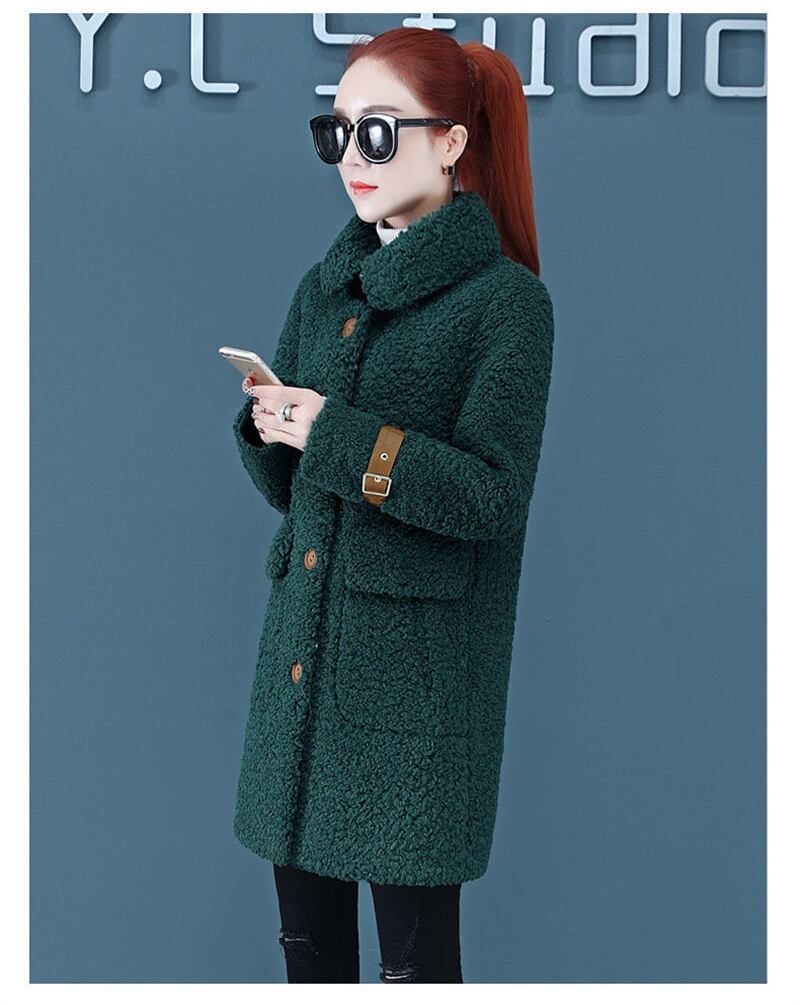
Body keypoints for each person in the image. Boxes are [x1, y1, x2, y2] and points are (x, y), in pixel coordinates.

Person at [232, 26, 555, 983]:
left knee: (416, 971)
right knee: (309, 961)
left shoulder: (506, 304)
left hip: (416, 695)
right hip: (301, 683)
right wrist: (270, 429)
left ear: (450, 142)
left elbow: (488, 495)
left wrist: (332, 431)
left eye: (378, 132)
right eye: (336, 134)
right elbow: (297, 498)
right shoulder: (325, 287)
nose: (352, 159)